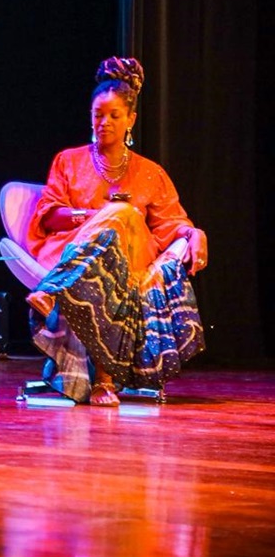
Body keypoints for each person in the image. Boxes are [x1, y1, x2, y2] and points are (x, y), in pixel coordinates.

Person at [25, 57, 207, 405]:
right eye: (98, 114)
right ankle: (103, 381)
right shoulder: (69, 160)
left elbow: (172, 223)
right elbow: (49, 216)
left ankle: (54, 291)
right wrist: (96, 218)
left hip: (129, 261)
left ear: (131, 120)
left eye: (114, 115)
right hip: (74, 250)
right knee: (115, 227)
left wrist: (196, 234)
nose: (104, 122)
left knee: (124, 215)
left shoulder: (150, 172)